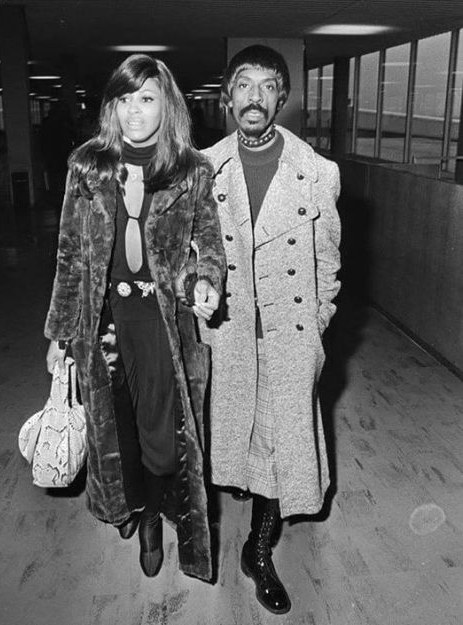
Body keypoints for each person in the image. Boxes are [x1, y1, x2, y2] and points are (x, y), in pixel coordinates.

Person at [44, 54, 226, 582]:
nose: (133, 112)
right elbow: (69, 253)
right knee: (114, 424)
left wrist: (205, 283)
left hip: (158, 318)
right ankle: (140, 509)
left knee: (162, 431)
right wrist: (59, 331)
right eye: (124, 100)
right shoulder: (88, 164)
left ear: (166, 104)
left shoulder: (192, 169)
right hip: (100, 315)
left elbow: (208, 246)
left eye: (146, 98)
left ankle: (154, 510)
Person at [201, 45, 341, 614]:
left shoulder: (315, 172)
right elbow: (188, 251)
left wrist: (317, 325)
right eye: (243, 84)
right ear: (228, 96)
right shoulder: (203, 168)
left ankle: (258, 554)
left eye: (266, 85)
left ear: (282, 97)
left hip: (288, 332)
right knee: (234, 435)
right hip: (228, 331)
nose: (254, 96)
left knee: (282, 441)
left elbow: (328, 261)